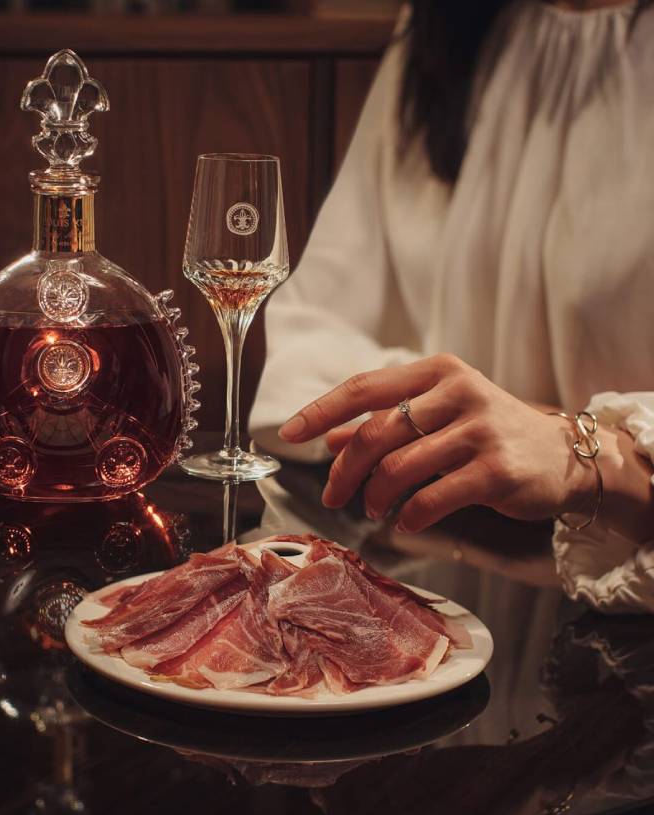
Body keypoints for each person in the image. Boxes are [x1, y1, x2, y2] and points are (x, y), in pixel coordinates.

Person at [250, 0, 654, 613]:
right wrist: (474, 425)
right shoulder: (452, 24)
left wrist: (577, 447)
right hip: (444, 584)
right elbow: (314, 345)